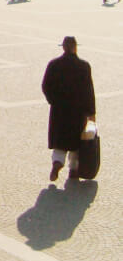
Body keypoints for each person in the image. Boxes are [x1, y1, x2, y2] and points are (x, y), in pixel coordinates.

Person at [42, 37, 96, 181]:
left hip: (59, 111)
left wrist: (53, 101)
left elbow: (45, 86)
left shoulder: (53, 64)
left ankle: (57, 164)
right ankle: (73, 170)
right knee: (76, 143)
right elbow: (88, 91)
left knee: (60, 142)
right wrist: (91, 112)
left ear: (63, 47)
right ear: (75, 47)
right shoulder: (84, 66)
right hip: (77, 112)